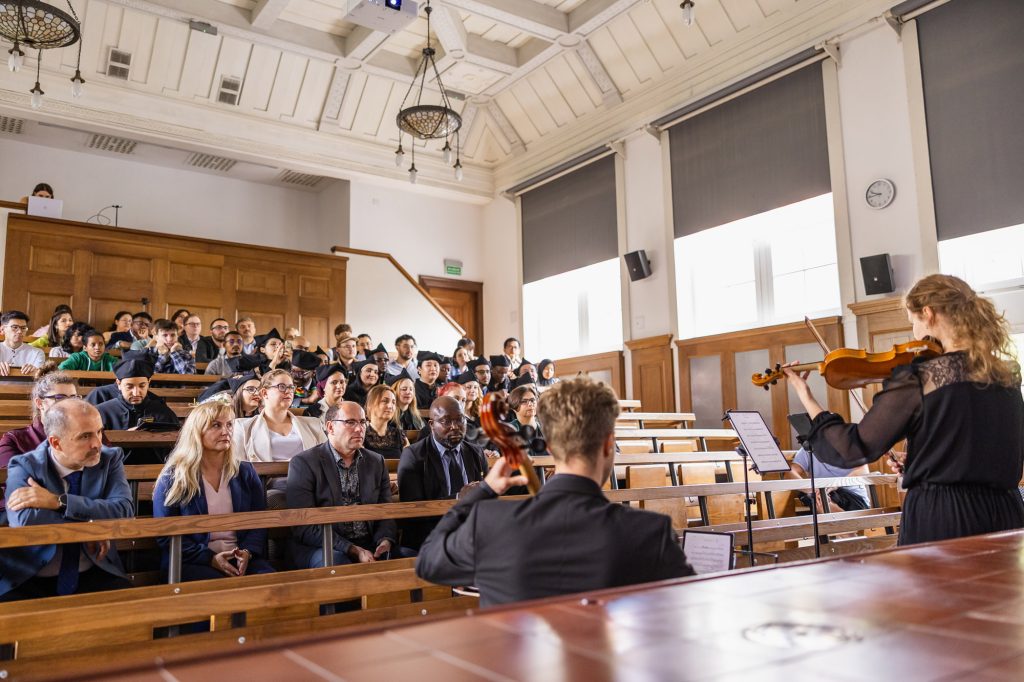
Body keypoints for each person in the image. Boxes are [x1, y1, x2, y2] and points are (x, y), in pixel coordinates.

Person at [784, 274, 1024, 546]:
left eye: (913, 322)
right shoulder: (1006, 374)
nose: (915, 332)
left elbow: (853, 448)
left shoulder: (922, 376)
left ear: (928, 313)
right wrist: (923, 461)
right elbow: (987, 445)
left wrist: (807, 397)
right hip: (1006, 512)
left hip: (946, 517)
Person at [416, 378, 694, 607]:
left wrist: (485, 490)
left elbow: (428, 562)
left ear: (548, 445)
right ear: (609, 444)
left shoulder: (490, 522)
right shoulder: (651, 532)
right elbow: (688, 609)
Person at [1, 400, 134, 601]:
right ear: (56, 443)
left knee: (133, 609)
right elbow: (25, 522)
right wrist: (90, 529)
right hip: (30, 576)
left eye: (99, 432)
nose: (97, 443)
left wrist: (59, 502)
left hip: (94, 569)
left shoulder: (110, 459)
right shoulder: (24, 466)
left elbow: (124, 511)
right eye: (85, 436)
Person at [153, 402, 274, 581]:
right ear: (197, 431)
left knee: (271, 583)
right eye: (216, 425)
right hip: (192, 561)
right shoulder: (174, 477)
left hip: (241, 559)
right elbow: (166, 534)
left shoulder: (245, 472)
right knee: (222, 588)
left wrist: (247, 552)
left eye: (229, 424)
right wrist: (210, 558)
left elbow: (259, 521)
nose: (226, 431)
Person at [286, 402, 400, 568]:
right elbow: (303, 525)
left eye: (363, 422)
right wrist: (352, 549)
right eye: (350, 422)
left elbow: (385, 511)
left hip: (368, 543)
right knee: (339, 563)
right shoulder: (304, 463)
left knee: (412, 559)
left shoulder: (376, 461)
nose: (359, 429)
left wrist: (385, 541)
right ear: (330, 427)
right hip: (322, 545)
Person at [397, 396, 488, 551]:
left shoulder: (476, 453)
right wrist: (458, 498)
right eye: (446, 421)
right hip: (430, 537)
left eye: (460, 419)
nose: (455, 426)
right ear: (432, 424)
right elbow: (413, 510)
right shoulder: (413, 456)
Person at [231, 368, 326, 508]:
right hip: (268, 488)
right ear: (264, 393)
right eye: (282, 387)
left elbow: (327, 460)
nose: (288, 391)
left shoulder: (313, 424)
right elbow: (237, 470)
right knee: (285, 500)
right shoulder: (242, 427)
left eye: (291, 387)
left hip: (312, 485)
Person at [0, 366, 79, 516]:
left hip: (80, 510)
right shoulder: (13, 439)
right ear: (40, 403)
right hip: (30, 512)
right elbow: (21, 486)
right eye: (60, 398)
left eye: (74, 398)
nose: (69, 405)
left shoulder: (92, 433)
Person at [96, 356, 179, 459]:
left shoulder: (163, 412)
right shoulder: (102, 412)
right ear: (119, 384)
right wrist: (125, 438)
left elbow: (174, 452)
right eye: (129, 387)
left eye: (142, 386)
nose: (136, 393)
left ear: (149, 382)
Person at [785, 447, 870, 513]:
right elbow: (790, 473)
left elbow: (863, 470)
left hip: (853, 497)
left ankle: (841, 523)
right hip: (821, 494)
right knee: (813, 496)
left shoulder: (850, 445)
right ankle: (844, 527)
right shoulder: (808, 448)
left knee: (821, 499)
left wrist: (835, 484)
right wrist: (811, 489)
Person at [364, 384, 409, 460]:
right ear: (370, 405)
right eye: (385, 401)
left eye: (393, 402)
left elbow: (409, 462)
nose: (390, 406)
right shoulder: (361, 435)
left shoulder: (399, 435)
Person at [0, 310, 46, 376]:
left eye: (23, 328)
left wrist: (34, 371)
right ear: (2, 329)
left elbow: (40, 378)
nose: (20, 331)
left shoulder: (37, 353)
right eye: (15, 327)